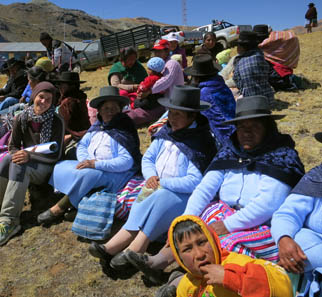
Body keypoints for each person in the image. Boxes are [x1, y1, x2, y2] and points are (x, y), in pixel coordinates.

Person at [126, 96, 305, 291]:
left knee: (221, 241)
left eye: (254, 126)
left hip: (262, 223)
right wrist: (187, 219)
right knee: (191, 228)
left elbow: (267, 204)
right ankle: (159, 262)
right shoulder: (231, 151)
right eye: (242, 126)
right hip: (224, 211)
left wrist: (227, 225)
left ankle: (186, 281)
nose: (246, 132)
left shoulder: (282, 157)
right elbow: (205, 188)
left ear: (268, 128)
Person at [88, 86, 217, 270]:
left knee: (161, 197)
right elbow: (148, 158)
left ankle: (136, 247)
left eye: (178, 115)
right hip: (157, 185)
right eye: (170, 113)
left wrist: (162, 183)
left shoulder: (200, 142)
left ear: (192, 116)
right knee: (146, 194)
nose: (171, 118)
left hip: (185, 194)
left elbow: (195, 181)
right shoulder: (166, 133)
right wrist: (151, 177)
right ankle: (113, 245)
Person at [0, 82, 65, 248]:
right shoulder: (22, 117)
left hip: (47, 165)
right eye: (41, 97)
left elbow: (56, 154)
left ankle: (9, 221)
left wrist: (29, 155)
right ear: (34, 97)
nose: (43, 102)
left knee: (19, 165)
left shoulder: (57, 121)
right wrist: (19, 155)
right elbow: (13, 147)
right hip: (28, 160)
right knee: (6, 160)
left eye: (48, 99)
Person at [37, 86, 141, 224]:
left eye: (114, 108)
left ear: (120, 110)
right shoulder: (97, 126)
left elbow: (126, 161)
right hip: (92, 165)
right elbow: (82, 145)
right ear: (99, 110)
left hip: (117, 172)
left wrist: (95, 164)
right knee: (60, 166)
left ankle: (59, 208)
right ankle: (79, 205)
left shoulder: (124, 128)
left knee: (88, 176)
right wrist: (85, 160)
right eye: (106, 108)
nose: (109, 112)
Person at [168, 215, 293, 297]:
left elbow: (284, 287)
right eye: (187, 249)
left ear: (212, 240)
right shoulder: (186, 287)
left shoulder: (237, 263)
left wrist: (231, 278)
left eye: (202, 242)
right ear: (179, 258)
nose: (199, 254)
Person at [271, 132, 322, 286]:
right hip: (300, 256)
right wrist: (284, 238)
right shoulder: (318, 177)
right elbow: (287, 213)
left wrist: (303, 258)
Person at [184, 54, 236, 146]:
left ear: (197, 78)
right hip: (235, 127)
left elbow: (219, 123)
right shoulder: (220, 85)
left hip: (225, 139)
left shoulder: (204, 93)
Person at [133, 39, 185, 128]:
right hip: (162, 100)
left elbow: (165, 81)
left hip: (171, 102)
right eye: (155, 51)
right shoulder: (162, 63)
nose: (156, 54)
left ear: (167, 51)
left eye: (159, 51)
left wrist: (148, 91)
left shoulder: (171, 63)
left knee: (140, 114)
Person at [53, 71, 91, 159]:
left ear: (72, 86)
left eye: (63, 85)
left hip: (74, 137)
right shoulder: (80, 97)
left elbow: (66, 126)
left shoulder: (68, 102)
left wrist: (70, 136)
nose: (60, 87)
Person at [233, 31, 275, 102]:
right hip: (268, 99)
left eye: (238, 45)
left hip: (250, 102)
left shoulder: (239, 61)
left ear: (242, 47)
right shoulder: (261, 57)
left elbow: (238, 82)